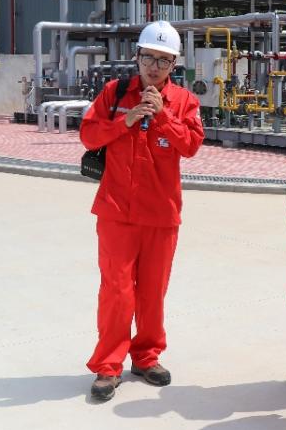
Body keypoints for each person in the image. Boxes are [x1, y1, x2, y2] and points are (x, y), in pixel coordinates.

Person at [79, 20, 204, 401]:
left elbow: (190, 146)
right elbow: (88, 135)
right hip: (116, 211)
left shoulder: (184, 101)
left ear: (174, 65)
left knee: (152, 292)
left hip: (161, 215)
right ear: (136, 57)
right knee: (116, 292)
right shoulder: (115, 93)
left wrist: (162, 115)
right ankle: (108, 365)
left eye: (164, 61)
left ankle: (147, 356)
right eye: (149, 57)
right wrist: (126, 120)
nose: (154, 67)